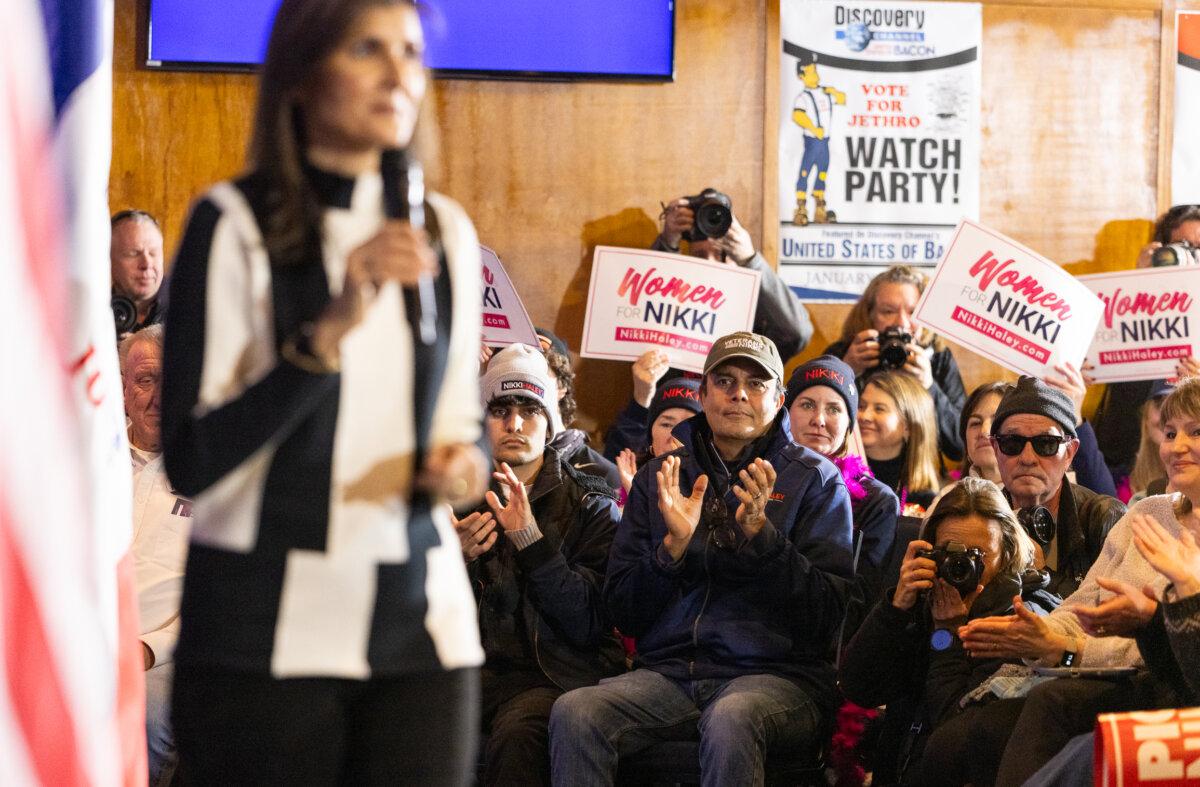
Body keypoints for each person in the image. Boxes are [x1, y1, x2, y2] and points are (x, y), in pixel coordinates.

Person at [161, 1, 488, 782]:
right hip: (262, 620)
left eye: (410, 50)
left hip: (419, 616)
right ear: (303, 75)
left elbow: (461, 427)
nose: (396, 72)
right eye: (365, 48)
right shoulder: (234, 222)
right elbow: (193, 458)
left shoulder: (445, 230)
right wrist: (330, 329)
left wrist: (461, 468)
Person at [549, 331, 854, 787]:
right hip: (670, 675)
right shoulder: (661, 475)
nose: (739, 394)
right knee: (575, 712)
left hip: (776, 678)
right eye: (725, 381)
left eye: (756, 384)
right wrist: (669, 552)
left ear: (779, 399)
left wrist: (762, 538)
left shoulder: (818, 482)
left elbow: (827, 617)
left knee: (733, 717)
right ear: (704, 393)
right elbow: (622, 612)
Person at [947, 377, 1200, 786]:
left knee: (1059, 723)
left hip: (1171, 695)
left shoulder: (1104, 512)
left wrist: (1071, 648)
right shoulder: (1148, 512)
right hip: (1124, 685)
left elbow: (1183, 661)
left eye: (1196, 431)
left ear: (1069, 454)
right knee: (967, 734)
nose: (1177, 446)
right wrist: (1039, 630)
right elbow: (1082, 606)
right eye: (1170, 433)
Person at [455, 344, 623, 787]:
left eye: (529, 409)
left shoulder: (593, 503)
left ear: (549, 421)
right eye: (500, 409)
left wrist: (531, 539)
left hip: (553, 674)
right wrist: (454, 562)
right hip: (469, 672)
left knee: (518, 735)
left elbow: (587, 622)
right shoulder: (452, 501)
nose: (514, 424)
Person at [838, 477, 1057, 786]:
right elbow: (858, 687)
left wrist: (948, 635)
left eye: (978, 555)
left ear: (1007, 554)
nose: (961, 564)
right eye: (948, 553)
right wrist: (895, 608)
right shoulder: (921, 601)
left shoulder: (1020, 621)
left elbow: (957, 734)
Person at [120, 326, 190, 785]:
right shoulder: (89, 460)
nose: (160, 396)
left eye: (173, 379)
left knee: (140, 719)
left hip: (162, 654)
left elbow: (221, 598)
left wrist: (147, 649)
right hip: (79, 635)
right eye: (146, 380)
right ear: (122, 388)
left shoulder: (212, 474)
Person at [784, 355, 898, 628]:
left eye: (834, 409)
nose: (819, 420)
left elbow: (858, 605)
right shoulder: (758, 478)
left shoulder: (877, 502)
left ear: (849, 424)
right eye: (807, 405)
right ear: (785, 413)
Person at [988, 376, 1125, 598]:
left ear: (1070, 453)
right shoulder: (980, 519)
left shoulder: (1104, 519)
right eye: (1012, 443)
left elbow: (1115, 615)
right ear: (995, 447)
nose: (1028, 458)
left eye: (1046, 444)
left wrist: (1041, 575)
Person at [1092, 205, 1200, 477]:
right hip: (1131, 470)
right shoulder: (1136, 316)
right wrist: (1140, 284)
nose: (1194, 258)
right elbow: (1114, 439)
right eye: (1184, 248)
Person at [825, 265, 967, 460]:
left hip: (918, 472)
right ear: (870, 314)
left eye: (912, 312)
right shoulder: (846, 353)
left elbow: (960, 447)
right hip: (851, 468)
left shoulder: (938, 358)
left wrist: (929, 386)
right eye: (888, 311)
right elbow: (819, 424)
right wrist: (848, 370)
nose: (901, 322)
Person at [653, 194, 813, 362]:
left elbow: (797, 332)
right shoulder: (676, 306)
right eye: (700, 255)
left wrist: (750, 260)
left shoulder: (760, 316)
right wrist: (667, 243)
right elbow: (648, 316)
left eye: (721, 254)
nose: (710, 263)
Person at [534, 327, 621, 489]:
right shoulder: (483, 464)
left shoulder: (603, 474)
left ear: (562, 386)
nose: (526, 384)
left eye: (537, 372)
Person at [858, 371, 942, 511]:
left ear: (908, 426)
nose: (864, 416)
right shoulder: (838, 474)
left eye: (879, 409)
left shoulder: (925, 500)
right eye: (861, 406)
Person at [614, 375, 702, 495]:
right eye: (666, 425)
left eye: (689, 427)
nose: (675, 437)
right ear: (651, 438)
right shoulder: (625, 484)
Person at [110, 209, 165, 332]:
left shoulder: (189, 311)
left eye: (153, 253)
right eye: (133, 254)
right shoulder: (93, 316)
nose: (146, 264)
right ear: (109, 260)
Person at [959, 382, 1012, 483]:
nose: (984, 431)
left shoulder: (1042, 496)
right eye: (976, 423)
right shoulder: (948, 497)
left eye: (996, 420)